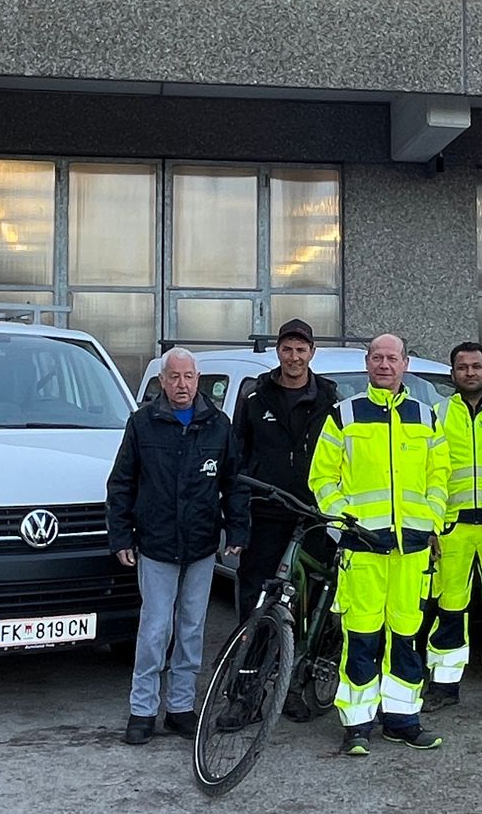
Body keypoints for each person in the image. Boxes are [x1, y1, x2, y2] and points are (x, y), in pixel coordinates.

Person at [308, 333, 450, 756]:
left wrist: (431, 523)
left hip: (412, 552)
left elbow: (439, 478)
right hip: (363, 550)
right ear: (367, 364)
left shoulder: (426, 417)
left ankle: (403, 720)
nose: (384, 365)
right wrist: (344, 525)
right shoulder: (344, 415)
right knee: (361, 637)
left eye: (392, 358)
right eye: (377, 358)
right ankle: (357, 725)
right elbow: (322, 479)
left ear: (406, 363)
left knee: (406, 637)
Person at [106, 346, 249, 745]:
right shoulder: (142, 424)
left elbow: (233, 483)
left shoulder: (218, 425)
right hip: (155, 544)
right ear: (162, 381)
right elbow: (121, 483)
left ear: (197, 381)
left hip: (201, 545)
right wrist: (120, 535)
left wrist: (237, 532)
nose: (182, 384)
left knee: (191, 630)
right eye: (174, 377)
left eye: (188, 377)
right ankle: (142, 711)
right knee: (154, 630)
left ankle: (181, 709)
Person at [235, 317, 338, 720]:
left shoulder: (330, 398)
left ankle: (293, 687)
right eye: (287, 349)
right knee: (256, 607)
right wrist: (239, 513)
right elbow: (237, 459)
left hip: (314, 518)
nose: (294, 357)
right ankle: (245, 695)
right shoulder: (255, 397)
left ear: (312, 353)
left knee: (311, 608)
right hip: (266, 514)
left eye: (301, 350)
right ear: (278, 352)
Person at [423, 341, 482, 713]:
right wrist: (431, 525)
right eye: (462, 368)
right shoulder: (437, 414)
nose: (470, 373)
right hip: (452, 527)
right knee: (449, 609)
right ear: (453, 374)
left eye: (477, 366)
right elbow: (428, 473)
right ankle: (444, 687)